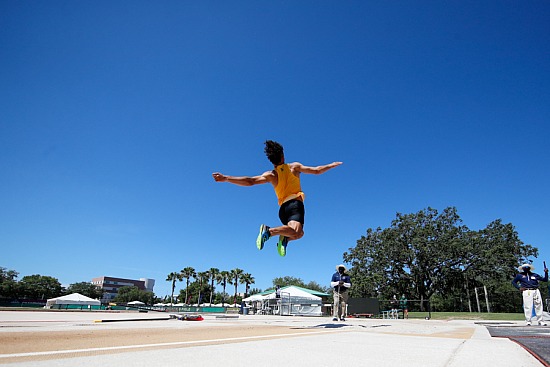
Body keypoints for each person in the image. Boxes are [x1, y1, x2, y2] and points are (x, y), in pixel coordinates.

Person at [212, 140, 342, 256]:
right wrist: (331, 165)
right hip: (295, 205)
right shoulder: (294, 167)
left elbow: (250, 181)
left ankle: (284, 239)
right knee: (295, 232)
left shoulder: (271, 175)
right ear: (283, 156)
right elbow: (317, 170)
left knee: (299, 234)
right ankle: (269, 231)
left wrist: (226, 178)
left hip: (282, 210)